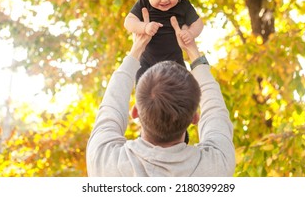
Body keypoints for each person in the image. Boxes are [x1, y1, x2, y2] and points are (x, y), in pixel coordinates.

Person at [86, 11, 235, 176]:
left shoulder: (105, 162)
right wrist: (192, 50)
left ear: (135, 111)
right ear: (195, 118)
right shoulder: (217, 165)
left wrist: (137, 48)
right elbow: (215, 110)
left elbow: (111, 106)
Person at [124, 0, 204, 81]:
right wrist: (144, 27)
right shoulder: (144, 3)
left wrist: (191, 33)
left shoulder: (183, 5)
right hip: (146, 63)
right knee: (144, 94)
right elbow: (129, 22)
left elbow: (198, 23)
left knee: (181, 91)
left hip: (175, 63)